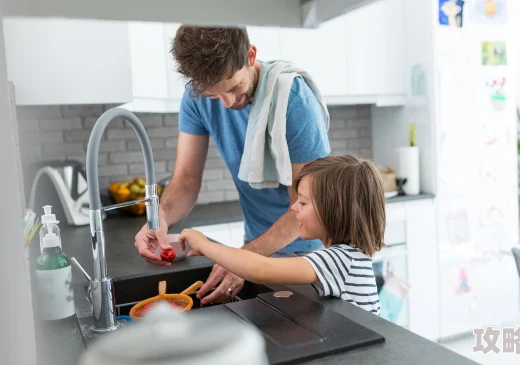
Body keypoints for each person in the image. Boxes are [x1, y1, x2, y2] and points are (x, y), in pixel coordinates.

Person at [133, 26, 331, 305]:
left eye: (234, 88)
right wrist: (160, 219)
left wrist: (244, 259)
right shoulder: (196, 97)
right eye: (215, 96)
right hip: (253, 245)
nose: (226, 103)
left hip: (307, 254)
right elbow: (186, 181)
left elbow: (309, 205)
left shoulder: (293, 99)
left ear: (250, 56)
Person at [178, 155, 386, 314]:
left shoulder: (340, 260)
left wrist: (204, 244)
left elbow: (258, 268)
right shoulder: (347, 255)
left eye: (303, 202)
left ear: (334, 211)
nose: (294, 207)